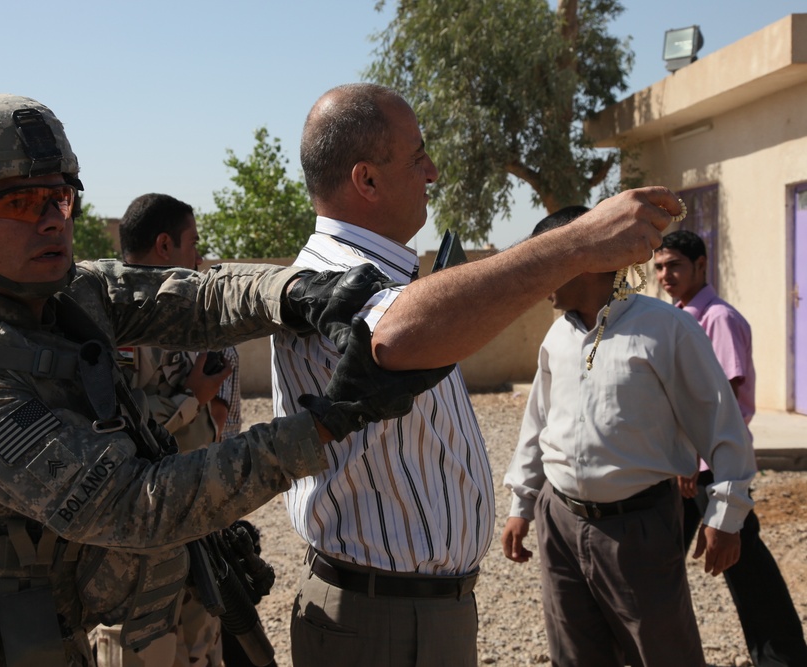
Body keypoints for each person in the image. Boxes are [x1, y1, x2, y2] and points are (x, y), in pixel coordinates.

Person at [0, 92, 445, 667]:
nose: (53, 221)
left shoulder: (56, 293)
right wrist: (328, 421)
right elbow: (138, 504)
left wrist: (297, 293)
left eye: (62, 198)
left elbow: (194, 298)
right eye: (22, 203)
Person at [270, 82, 684, 667]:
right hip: (379, 621)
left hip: (414, 612)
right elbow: (390, 335)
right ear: (366, 180)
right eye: (417, 158)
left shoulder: (387, 276)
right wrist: (578, 243)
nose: (432, 172)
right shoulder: (329, 276)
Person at [501, 206, 758, 667]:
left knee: (662, 653)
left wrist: (726, 514)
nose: (536, 278)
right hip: (559, 524)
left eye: (546, 262)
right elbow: (537, 426)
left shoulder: (666, 330)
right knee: (575, 655)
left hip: (638, 529)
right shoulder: (556, 339)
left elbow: (722, 425)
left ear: (587, 259)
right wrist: (522, 504)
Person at [90, 192, 240, 667]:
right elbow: (116, 427)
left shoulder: (182, 311)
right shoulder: (110, 318)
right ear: (163, 245)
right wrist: (189, 398)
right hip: (137, 543)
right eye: (192, 242)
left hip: (195, 521)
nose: (199, 255)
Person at [655, 230, 807, 667]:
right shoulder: (679, 316)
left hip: (712, 468)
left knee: (746, 567)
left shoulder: (716, 319)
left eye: (676, 266)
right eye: (660, 267)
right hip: (688, 467)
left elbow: (721, 405)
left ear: (702, 266)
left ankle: (783, 657)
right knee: (659, 563)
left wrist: (693, 458)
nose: (666, 275)